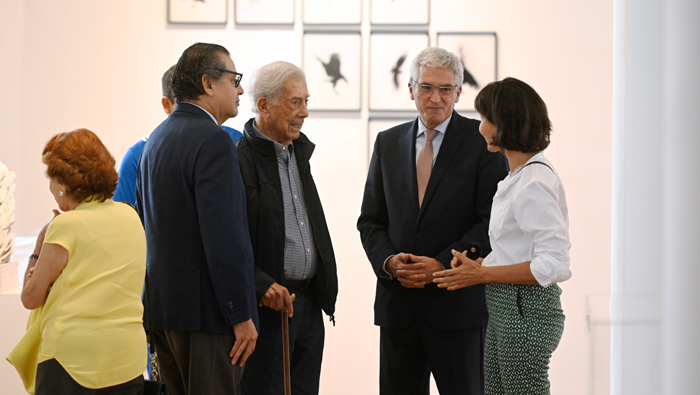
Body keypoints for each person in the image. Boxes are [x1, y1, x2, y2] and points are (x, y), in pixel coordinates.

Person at [357, 47, 508, 395]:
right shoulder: (387, 143)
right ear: (411, 90)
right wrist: (390, 263)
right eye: (426, 87)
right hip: (399, 308)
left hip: (457, 307)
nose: (435, 98)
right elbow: (370, 221)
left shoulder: (482, 142)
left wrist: (440, 265)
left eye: (445, 89)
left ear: (458, 92)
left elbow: (490, 222)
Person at [433, 77, 572, 395]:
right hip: (505, 304)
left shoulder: (533, 182)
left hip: (525, 308)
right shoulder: (519, 175)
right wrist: (480, 264)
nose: (479, 126)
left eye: (485, 118)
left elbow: (554, 264)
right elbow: (517, 249)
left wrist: (482, 273)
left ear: (504, 124)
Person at [135, 42, 258, 395]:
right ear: (207, 83)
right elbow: (225, 238)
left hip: (165, 312)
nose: (240, 89)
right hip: (208, 317)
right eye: (234, 79)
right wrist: (240, 315)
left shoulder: (156, 139)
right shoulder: (214, 141)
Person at [8, 128, 147, 395]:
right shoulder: (131, 217)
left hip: (72, 363)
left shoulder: (65, 226)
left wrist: (39, 243)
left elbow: (31, 297)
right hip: (126, 360)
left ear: (62, 183)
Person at [236, 61, 338, 395]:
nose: (304, 112)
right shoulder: (238, 159)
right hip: (268, 308)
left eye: (306, 101)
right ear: (263, 105)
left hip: (307, 303)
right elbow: (230, 240)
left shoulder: (298, 153)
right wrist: (261, 284)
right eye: (295, 102)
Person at [113, 65, 243, 206]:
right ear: (166, 104)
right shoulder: (138, 155)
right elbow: (128, 218)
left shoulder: (235, 139)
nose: (192, 109)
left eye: (197, 101)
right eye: (185, 103)